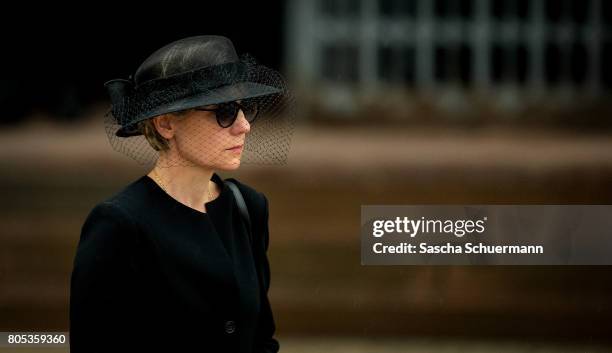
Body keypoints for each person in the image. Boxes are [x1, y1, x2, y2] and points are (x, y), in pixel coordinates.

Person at [69, 35, 294, 353]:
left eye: (243, 108)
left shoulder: (248, 207)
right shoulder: (119, 224)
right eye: (225, 111)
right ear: (165, 124)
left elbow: (261, 339)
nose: (244, 125)